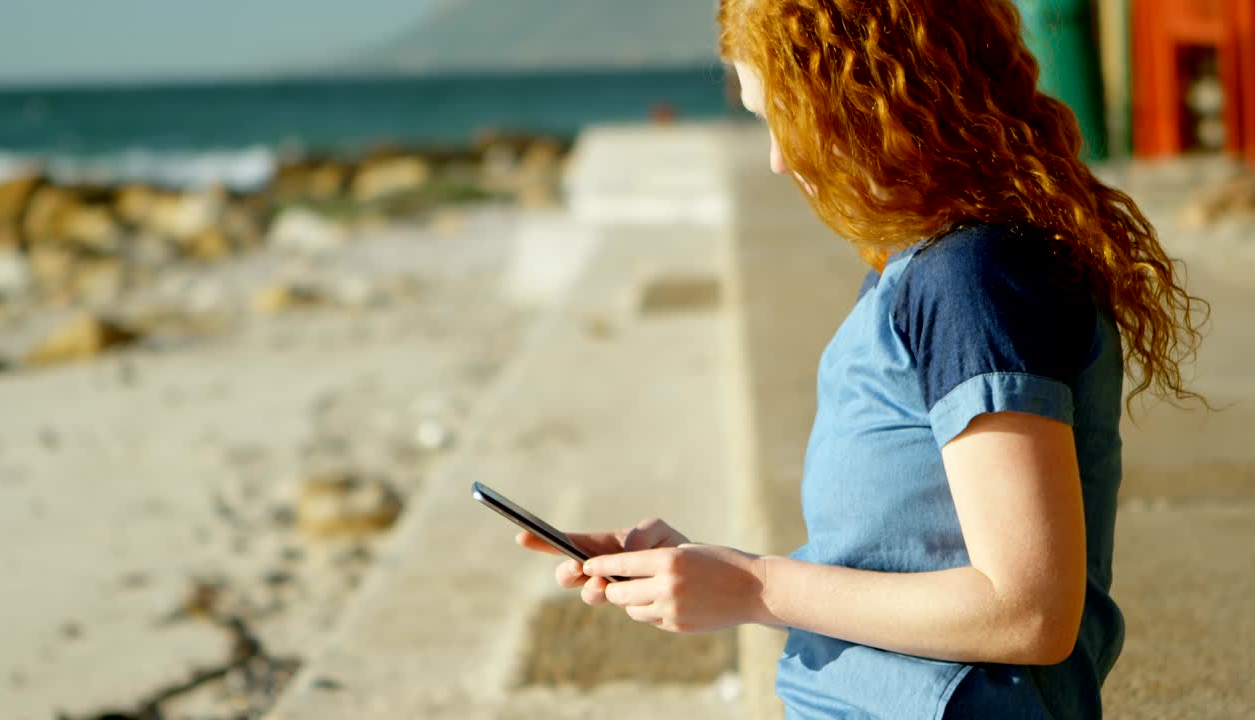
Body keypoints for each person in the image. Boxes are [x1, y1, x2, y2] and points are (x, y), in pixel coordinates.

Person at [517, 1, 1206, 718]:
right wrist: (706, 574)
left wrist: (755, 587)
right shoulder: (933, 265)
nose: (780, 158)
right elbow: (910, 563)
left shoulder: (971, 279)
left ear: (869, 94)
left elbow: (1027, 611)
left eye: (785, 114)